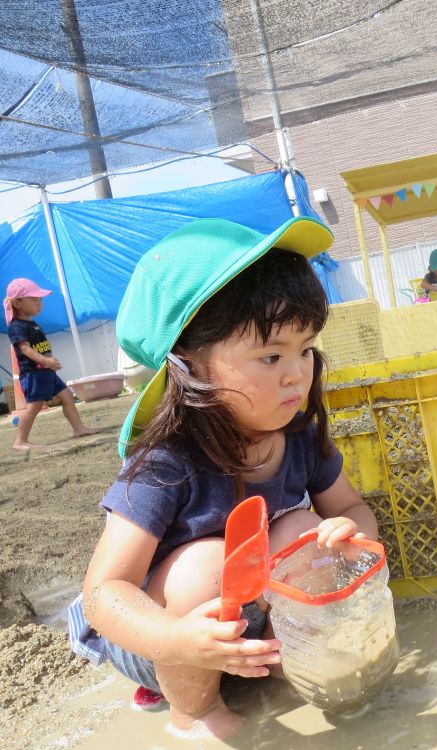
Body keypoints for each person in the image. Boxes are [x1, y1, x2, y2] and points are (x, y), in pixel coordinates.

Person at [66, 217, 377, 740]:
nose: (297, 373)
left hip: (249, 620)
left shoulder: (299, 434)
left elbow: (351, 509)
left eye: (305, 350)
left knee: (303, 526)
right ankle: (195, 714)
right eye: (271, 355)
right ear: (191, 364)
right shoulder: (165, 462)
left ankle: (282, 664)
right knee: (208, 561)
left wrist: (350, 535)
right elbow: (104, 593)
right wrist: (177, 639)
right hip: (162, 636)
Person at [4, 278, 98, 450]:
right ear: (17, 302)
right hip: (33, 374)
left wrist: (47, 363)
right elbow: (25, 349)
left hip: (46, 373)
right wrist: (45, 360)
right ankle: (20, 441)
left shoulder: (31, 323)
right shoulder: (16, 326)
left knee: (67, 397)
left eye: (40, 300)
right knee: (34, 406)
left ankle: (78, 428)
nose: (39, 304)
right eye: (34, 300)